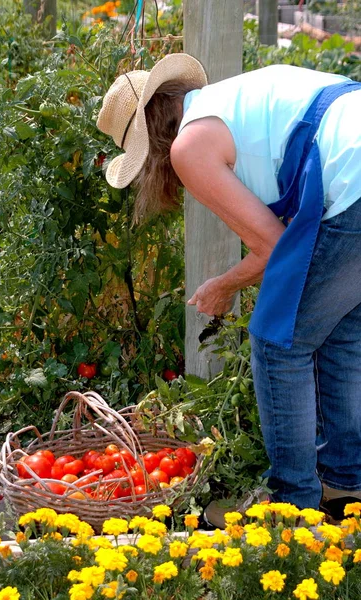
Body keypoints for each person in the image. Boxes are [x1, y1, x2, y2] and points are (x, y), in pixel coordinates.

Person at [97, 53, 361, 521]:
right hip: (351, 168)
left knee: (278, 342)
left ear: (150, 141)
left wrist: (223, 286)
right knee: (340, 331)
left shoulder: (188, 146)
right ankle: (345, 481)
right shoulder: (229, 104)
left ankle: (293, 504)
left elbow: (274, 246)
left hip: (352, 180)